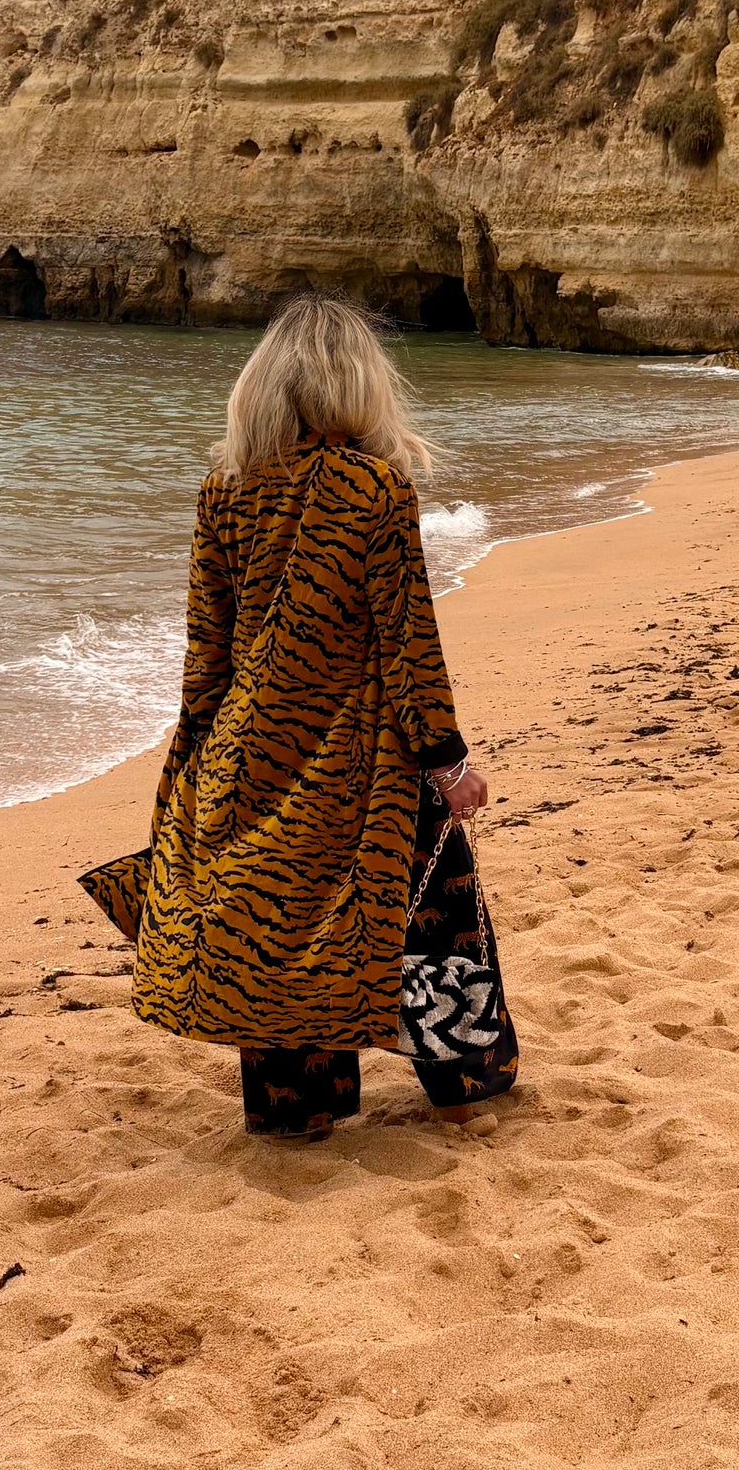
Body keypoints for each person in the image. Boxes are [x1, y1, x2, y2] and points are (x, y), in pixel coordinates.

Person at [131, 295, 518, 1139]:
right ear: (355, 385)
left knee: (276, 926)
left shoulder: (222, 491)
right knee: (437, 910)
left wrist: (188, 766)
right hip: (362, 757)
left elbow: (207, 657)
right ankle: (462, 1083)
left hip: (249, 753)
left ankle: (294, 1108)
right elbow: (409, 641)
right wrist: (449, 766)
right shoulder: (374, 487)